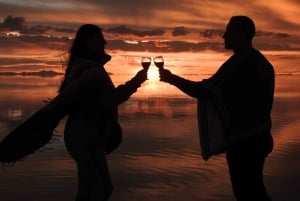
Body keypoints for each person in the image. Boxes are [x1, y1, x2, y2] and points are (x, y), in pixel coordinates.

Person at [159, 16, 274, 201]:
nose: (223, 36)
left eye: (229, 31)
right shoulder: (258, 61)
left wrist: (171, 78)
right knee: (255, 191)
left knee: (248, 193)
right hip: (260, 137)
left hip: (246, 143)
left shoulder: (241, 63)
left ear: (242, 34)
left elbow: (204, 91)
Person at [59, 24, 147, 201]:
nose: (105, 41)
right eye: (100, 38)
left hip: (84, 136)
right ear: (88, 41)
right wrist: (137, 81)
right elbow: (110, 99)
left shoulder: (82, 67)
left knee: (90, 190)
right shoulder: (90, 70)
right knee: (101, 189)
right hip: (85, 138)